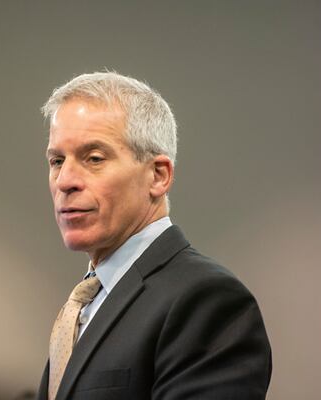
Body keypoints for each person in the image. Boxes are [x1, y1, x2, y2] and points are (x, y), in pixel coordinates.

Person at [36, 71, 272, 400]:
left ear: (158, 176)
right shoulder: (84, 303)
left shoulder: (205, 300)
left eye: (94, 158)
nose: (65, 181)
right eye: (57, 160)